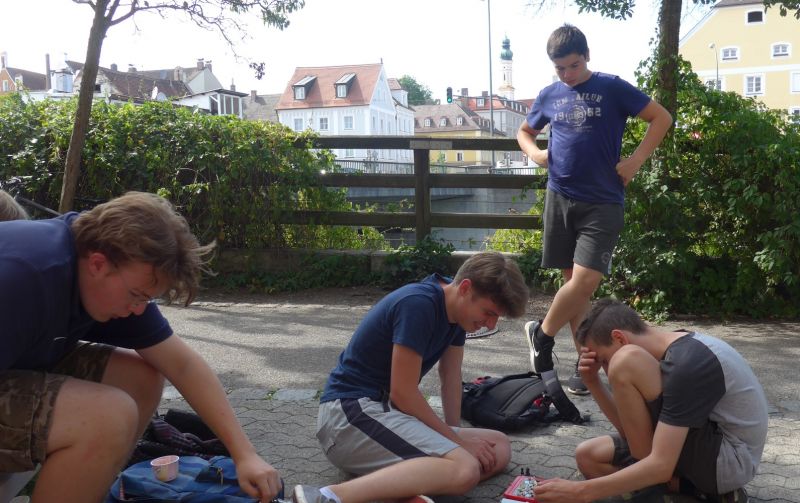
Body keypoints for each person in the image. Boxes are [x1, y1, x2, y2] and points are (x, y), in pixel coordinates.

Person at [0, 192, 282, 503]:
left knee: (141, 378)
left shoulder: (102, 265)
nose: (138, 309)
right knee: (106, 417)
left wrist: (244, 454)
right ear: (98, 264)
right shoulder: (23, 276)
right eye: (136, 296)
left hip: (16, 363)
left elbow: (182, 365)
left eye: (146, 299)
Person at [292, 252, 530, 503]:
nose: (491, 324)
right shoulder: (418, 305)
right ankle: (324, 497)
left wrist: (454, 435)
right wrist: (458, 445)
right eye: (489, 313)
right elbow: (403, 393)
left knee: (498, 446)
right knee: (465, 469)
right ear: (465, 288)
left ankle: (401, 488)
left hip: (385, 414)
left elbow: (450, 376)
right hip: (348, 418)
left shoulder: (458, 314)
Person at [517, 24, 672, 394]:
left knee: (585, 281)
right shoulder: (549, 94)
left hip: (603, 200)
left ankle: (542, 334)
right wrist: (536, 154)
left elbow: (661, 117)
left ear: (586, 56)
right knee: (576, 290)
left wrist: (636, 160)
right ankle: (584, 366)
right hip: (560, 196)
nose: (567, 75)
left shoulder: (611, 86)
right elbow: (524, 132)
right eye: (560, 68)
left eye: (573, 65)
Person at [533, 298, 767, 503]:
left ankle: (701, 491)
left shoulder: (686, 364)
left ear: (619, 338)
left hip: (728, 462)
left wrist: (581, 492)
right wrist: (593, 382)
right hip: (700, 445)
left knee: (625, 362)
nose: (606, 369)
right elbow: (633, 435)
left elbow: (655, 461)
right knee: (588, 456)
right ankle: (687, 490)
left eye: (603, 360)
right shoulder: (671, 348)